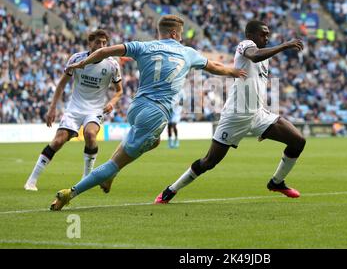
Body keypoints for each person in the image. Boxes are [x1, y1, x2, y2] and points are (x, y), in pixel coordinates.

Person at [49, 15, 246, 210]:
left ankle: (110, 175)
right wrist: (234, 72)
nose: (182, 38)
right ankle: (70, 193)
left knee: (155, 141)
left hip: (136, 107)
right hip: (155, 113)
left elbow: (107, 51)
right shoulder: (187, 52)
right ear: (174, 33)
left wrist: (83, 63)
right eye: (181, 34)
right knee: (115, 163)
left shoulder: (143, 46)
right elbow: (216, 67)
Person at [154, 20, 306, 204]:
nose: (267, 37)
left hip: (258, 114)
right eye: (263, 34)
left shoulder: (266, 56)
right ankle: (170, 190)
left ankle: (277, 182)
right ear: (250, 35)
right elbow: (255, 56)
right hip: (235, 116)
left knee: (298, 141)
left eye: (268, 34)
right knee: (209, 162)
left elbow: (256, 85)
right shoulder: (246, 45)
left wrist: (264, 120)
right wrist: (285, 45)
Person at [24, 29, 123, 191]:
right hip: (75, 108)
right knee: (58, 141)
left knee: (90, 135)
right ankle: (31, 180)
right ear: (90, 43)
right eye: (98, 42)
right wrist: (52, 107)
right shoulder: (77, 59)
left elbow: (120, 91)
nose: (101, 46)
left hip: (95, 109)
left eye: (105, 43)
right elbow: (62, 84)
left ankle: (86, 178)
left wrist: (112, 102)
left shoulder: (112, 64)